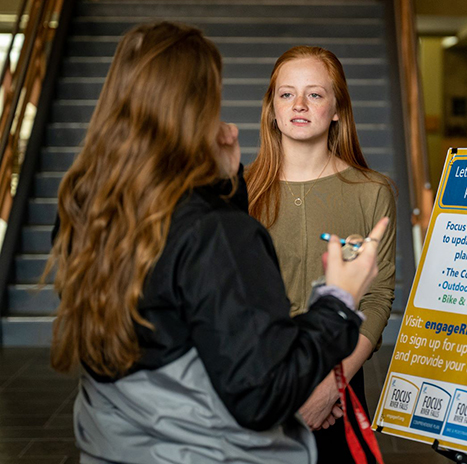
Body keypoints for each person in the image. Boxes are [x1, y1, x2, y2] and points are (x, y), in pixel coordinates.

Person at [47, 22, 386, 464]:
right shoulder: (215, 231)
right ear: (193, 106)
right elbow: (261, 393)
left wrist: (224, 188)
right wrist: (338, 302)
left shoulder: (83, 212)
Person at [245, 46, 396, 462]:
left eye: (314, 94)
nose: (298, 104)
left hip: (339, 385)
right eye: (286, 94)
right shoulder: (237, 191)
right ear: (272, 109)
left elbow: (376, 300)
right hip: (255, 382)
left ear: (337, 110)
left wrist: (330, 388)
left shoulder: (371, 191)